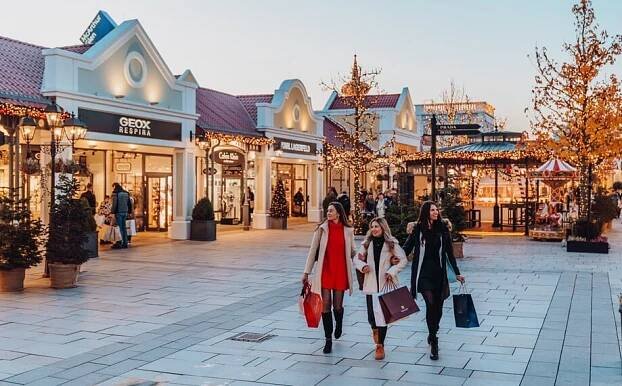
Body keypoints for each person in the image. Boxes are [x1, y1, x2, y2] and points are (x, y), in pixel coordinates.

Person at [403, 201, 465, 361]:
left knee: (438, 307)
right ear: (425, 212)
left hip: (439, 274)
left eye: (437, 209)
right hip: (423, 275)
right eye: (432, 210)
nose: (436, 212)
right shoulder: (418, 229)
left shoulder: (442, 229)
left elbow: (449, 253)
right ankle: (434, 340)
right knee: (430, 304)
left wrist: (457, 273)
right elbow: (407, 247)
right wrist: (395, 257)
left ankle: (433, 331)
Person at [302, 202, 356, 354]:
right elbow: (313, 252)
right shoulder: (322, 229)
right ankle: (328, 340)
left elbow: (353, 252)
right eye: (327, 211)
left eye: (331, 211)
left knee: (337, 307)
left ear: (339, 213)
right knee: (325, 306)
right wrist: (306, 272)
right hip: (325, 271)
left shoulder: (348, 230)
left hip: (340, 272)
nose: (328, 213)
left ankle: (339, 323)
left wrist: (361, 261)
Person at [354, 217, 407, 360]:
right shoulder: (366, 244)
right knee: (372, 317)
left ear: (383, 227)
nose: (374, 229)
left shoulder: (391, 243)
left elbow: (403, 260)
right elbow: (356, 259)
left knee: (383, 317)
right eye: (372, 227)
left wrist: (392, 270)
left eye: (377, 226)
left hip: (385, 285)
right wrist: (362, 266)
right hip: (370, 284)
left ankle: (380, 345)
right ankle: (375, 331)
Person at [111, 183, 132, 249]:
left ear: (115, 186)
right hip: (125, 212)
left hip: (118, 212)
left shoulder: (115, 193)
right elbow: (129, 203)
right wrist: (129, 211)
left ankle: (120, 242)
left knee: (119, 228)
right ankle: (125, 242)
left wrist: (112, 212)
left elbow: (114, 204)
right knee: (124, 227)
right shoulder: (126, 193)